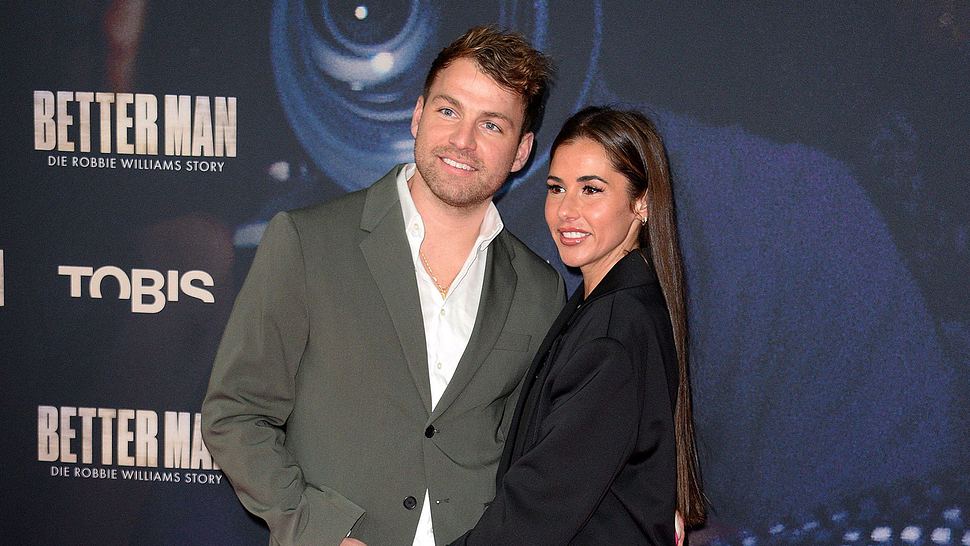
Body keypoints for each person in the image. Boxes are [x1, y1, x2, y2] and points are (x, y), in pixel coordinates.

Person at [201, 26, 565, 546]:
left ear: (522, 150)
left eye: (491, 125)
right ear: (417, 115)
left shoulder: (539, 289)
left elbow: (532, 455)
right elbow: (235, 413)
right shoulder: (308, 242)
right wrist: (318, 531)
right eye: (449, 111)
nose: (463, 141)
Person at [450, 106, 706, 545]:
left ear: (641, 202)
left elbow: (537, 509)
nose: (566, 210)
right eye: (556, 188)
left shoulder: (615, 328)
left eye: (591, 190)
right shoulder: (606, 308)